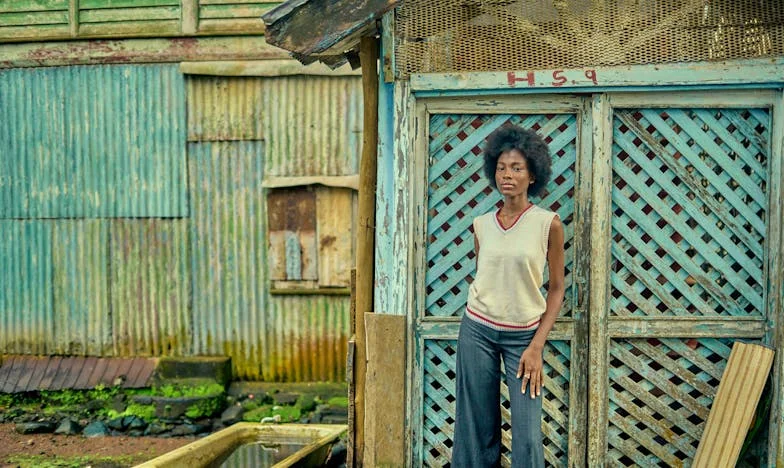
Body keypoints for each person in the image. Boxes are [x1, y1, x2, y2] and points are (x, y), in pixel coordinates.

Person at [451, 124, 565, 467]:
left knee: (527, 434)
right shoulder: (481, 225)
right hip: (477, 331)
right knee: (476, 428)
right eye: (501, 168)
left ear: (533, 175)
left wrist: (536, 347)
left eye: (517, 168)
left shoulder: (548, 224)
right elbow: (485, 278)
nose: (507, 175)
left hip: (524, 338)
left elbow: (557, 289)